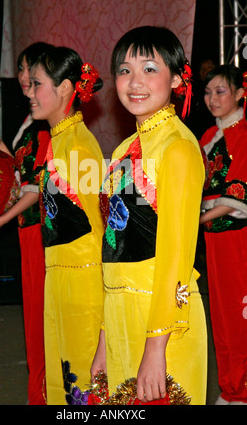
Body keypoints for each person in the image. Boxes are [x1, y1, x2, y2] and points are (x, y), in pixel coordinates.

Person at [90, 26, 208, 405]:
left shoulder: (178, 149)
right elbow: (115, 249)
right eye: (125, 71)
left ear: (176, 79)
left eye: (149, 69)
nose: (134, 82)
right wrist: (105, 342)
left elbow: (177, 255)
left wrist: (156, 347)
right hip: (122, 313)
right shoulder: (126, 149)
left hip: (163, 323)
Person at [27, 45, 105, 405]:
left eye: (37, 83)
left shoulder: (77, 147)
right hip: (61, 276)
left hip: (82, 283)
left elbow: (101, 227)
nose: (29, 92)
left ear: (64, 89)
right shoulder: (59, 140)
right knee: (64, 385)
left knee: (84, 389)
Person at [0, 42, 51, 405]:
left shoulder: (48, 127)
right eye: (22, 69)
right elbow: (26, 177)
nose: (24, 78)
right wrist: (4, 151)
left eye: (32, 71)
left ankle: (47, 395)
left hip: (42, 232)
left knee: (44, 318)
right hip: (29, 230)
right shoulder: (33, 120)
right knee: (37, 317)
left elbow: (37, 188)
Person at [199, 64, 247, 405]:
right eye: (207, 92)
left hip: (237, 243)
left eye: (220, 91)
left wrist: (194, 219)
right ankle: (230, 389)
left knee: (238, 316)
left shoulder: (243, 138)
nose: (212, 98)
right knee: (219, 315)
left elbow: (240, 199)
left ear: (240, 94)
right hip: (214, 240)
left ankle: (241, 392)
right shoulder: (208, 137)